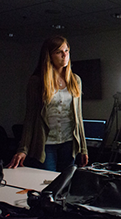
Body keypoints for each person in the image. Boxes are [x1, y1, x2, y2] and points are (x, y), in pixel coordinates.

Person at [7, 35, 88, 172]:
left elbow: (78, 116)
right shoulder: (37, 81)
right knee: (47, 184)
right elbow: (30, 117)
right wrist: (23, 149)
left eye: (66, 51)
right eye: (59, 52)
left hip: (69, 143)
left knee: (64, 185)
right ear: (49, 56)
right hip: (46, 144)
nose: (64, 55)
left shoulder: (75, 80)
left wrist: (83, 148)